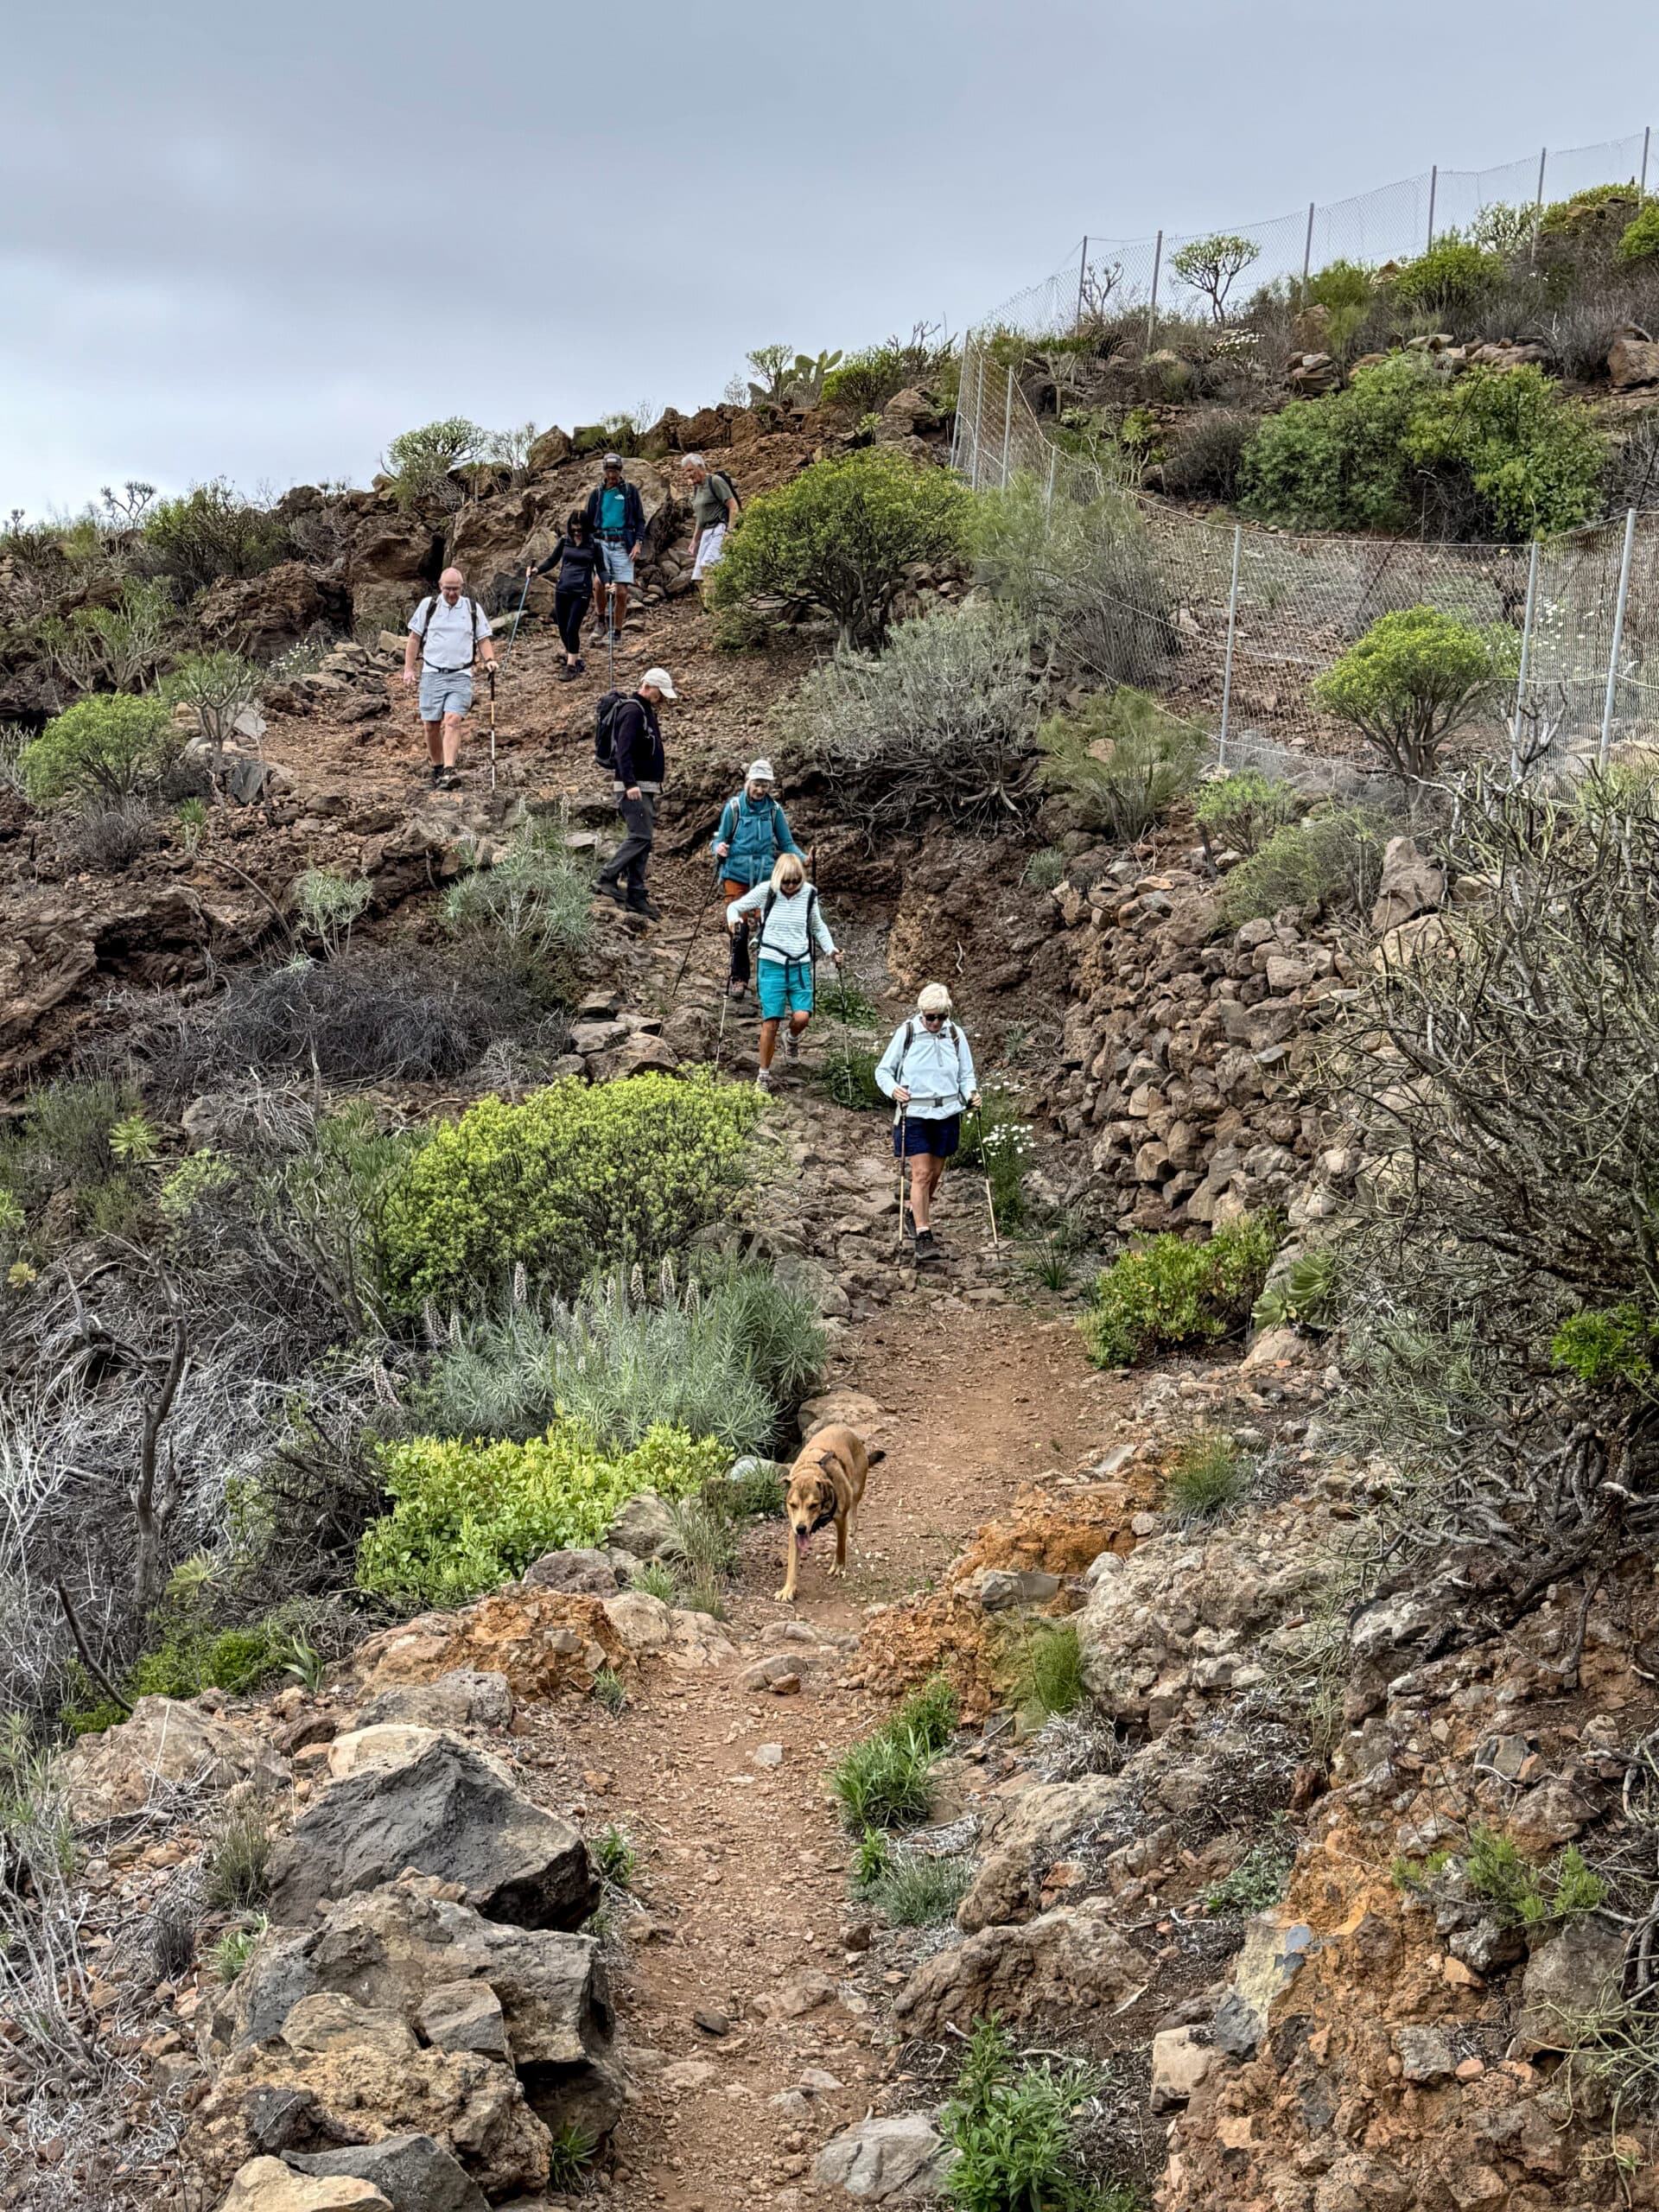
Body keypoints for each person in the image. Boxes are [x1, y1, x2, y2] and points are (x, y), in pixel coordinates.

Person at [875, 983, 980, 1265]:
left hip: (948, 1113)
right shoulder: (907, 1033)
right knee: (921, 1174)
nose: (935, 1023)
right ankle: (924, 1235)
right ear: (921, 1013)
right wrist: (894, 1089)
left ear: (947, 1015)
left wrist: (971, 1094)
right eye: (930, 1017)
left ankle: (913, 1211)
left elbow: (966, 1074)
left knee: (935, 1174)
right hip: (915, 1114)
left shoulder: (956, 1035)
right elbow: (883, 1070)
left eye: (940, 1017)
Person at [726, 853, 840, 1093]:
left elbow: (817, 926)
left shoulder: (809, 894)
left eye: (795, 881)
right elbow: (736, 905)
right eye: (786, 881)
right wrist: (733, 919)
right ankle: (763, 1075)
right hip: (771, 963)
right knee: (771, 1022)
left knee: (802, 1017)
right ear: (778, 877)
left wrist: (831, 950)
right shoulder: (767, 890)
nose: (790, 886)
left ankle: (792, 1038)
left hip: (799, 965)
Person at [710, 758, 804, 1000]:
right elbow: (719, 839)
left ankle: (767, 981)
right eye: (757, 784)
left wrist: (804, 858)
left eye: (765, 785)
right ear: (747, 782)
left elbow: (786, 844)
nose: (761, 789)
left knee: (768, 930)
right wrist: (718, 848)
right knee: (738, 928)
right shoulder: (734, 808)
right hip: (736, 875)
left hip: (765, 877)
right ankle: (739, 979)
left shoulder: (774, 811)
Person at [403, 568, 498, 790]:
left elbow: (482, 639)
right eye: (448, 589)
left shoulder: (472, 608)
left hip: (461, 674)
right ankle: (437, 767)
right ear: (440, 586)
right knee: (431, 725)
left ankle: (448, 771)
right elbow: (414, 638)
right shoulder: (429, 606)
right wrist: (408, 669)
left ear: (462, 587)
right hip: (432, 673)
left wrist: (489, 660)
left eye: (455, 589)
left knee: (453, 720)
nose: (452, 594)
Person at [595, 666, 677, 919]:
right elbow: (624, 750)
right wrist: (630, 783)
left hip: (643, 786)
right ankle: (607, 877)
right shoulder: (633, 711)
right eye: (660, 693)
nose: (661, 698)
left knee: (644, 839)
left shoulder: (643, 710)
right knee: (641, 836)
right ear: (648, 686)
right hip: (634, 787)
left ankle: (636, 893)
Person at [527, 512, 604, 681]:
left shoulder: (594, 545)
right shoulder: (564, 541)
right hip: (562, 590)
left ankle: (571, 666)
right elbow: (552, 560)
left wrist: (608, 583)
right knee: (562, 627)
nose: (577, 533)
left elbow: (602, 569)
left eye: (580, 530)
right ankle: (575, 658)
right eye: (574, 529)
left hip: (582, 591)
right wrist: (537, 570)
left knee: (572, 628)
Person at [584, 454, 646, 641]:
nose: (612, 475)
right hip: (601, 543)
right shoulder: (597, 494)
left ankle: (617, 632)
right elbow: (588, 522)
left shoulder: (629, 491)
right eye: (609, 471)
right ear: (605, 471)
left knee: (621, 592)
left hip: (623, 544)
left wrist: (638, 543)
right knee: (598, 583)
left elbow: (640, 520)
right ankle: (600, 620)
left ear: (620, 471)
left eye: (616, 471)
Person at [682, 452, 740, 582]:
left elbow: (733, 506)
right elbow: (701, 518)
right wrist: (694, 541)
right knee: (698, 578)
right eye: (686, 472)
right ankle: (708, 603)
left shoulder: (715, 481)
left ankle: (716, 602)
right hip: (706, 533)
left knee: (708, 568)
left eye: (691, 470)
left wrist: (730, 531)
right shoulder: (697, 488)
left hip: (719, 529)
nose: (688, 475)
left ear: (700, 466)